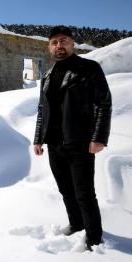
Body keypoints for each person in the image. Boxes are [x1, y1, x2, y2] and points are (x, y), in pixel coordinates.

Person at [33, 25, 112, 251]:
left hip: (81, 141)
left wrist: (98, 137)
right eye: (55, 42)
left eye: (64, 41)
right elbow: (42, 109)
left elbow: (103, 104)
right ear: (50, 47)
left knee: (84, 192)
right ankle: (77, 224)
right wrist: (38, 139)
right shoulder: (47, 76)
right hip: (55, 143)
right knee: (65, 189)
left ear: (73, 43)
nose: (59, 45)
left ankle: (94, 237)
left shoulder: (89, 68)